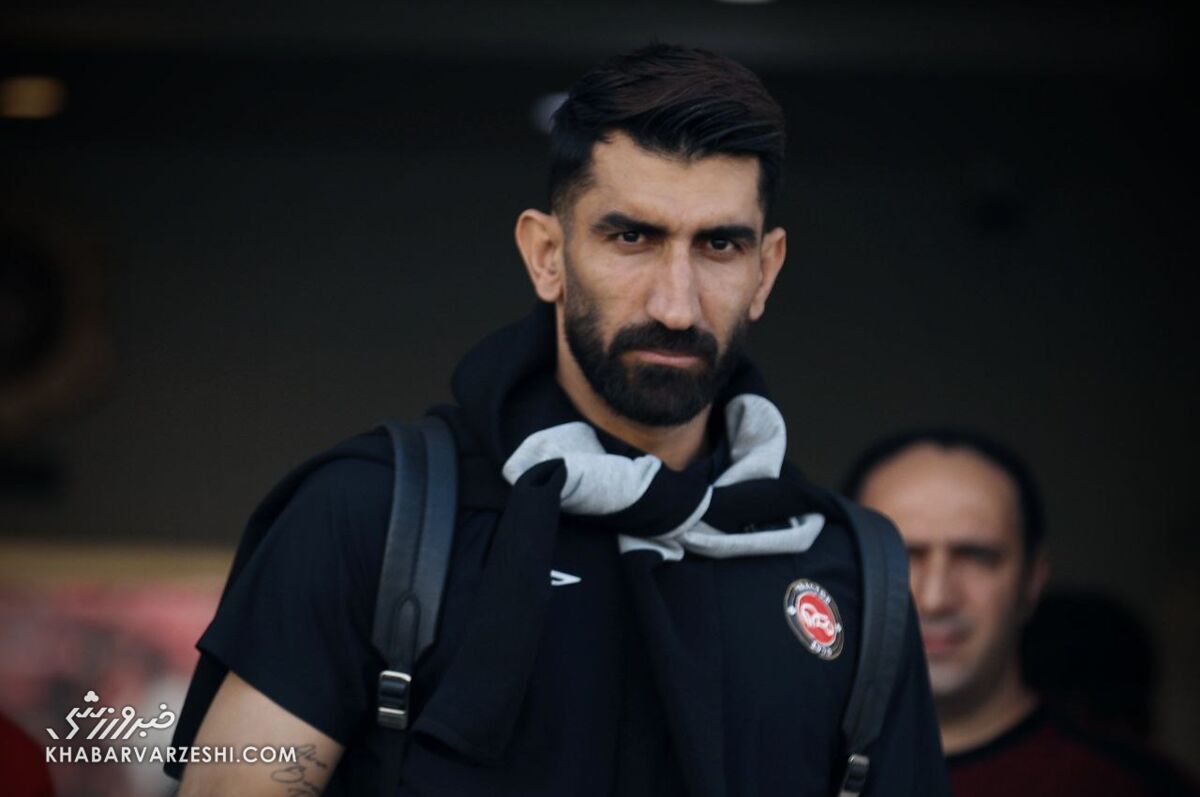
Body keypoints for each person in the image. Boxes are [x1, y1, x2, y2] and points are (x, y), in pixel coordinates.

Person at [167, 44, 949, 796]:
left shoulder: (853, 572)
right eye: (631, 237)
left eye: (719, 245)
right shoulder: (371, 516)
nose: (675, 305)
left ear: (765, 271)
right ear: (547, 254)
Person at [844, 429, 1198, 797]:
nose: (936, 598)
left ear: (1033, 579)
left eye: (977, 556)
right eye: (900, 555)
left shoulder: (1130, 786)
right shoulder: (804, 770)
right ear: (845, 575)